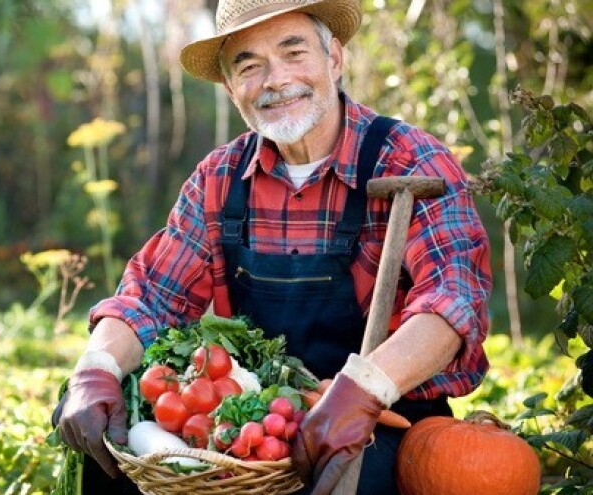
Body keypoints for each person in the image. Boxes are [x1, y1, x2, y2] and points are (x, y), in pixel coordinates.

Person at [53, 0, 492, 493]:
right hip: (261, 420)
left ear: (334, 59)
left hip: (383, 416)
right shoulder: (220, 177)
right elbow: (151, 297)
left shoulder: (410, 161)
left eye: (293, 52)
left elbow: (452, 301)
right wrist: (95, 370)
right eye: (249, 66)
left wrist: (363, 390)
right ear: (230, 88)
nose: (275, 80)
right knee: (100, 445)